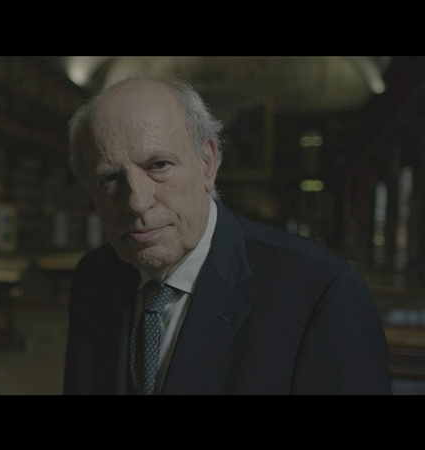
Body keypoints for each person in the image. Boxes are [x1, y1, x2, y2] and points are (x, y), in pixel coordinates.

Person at [62, 76, 392, 395]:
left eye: (159, 165)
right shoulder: (94, 275)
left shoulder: (322, 292)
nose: (136, 202)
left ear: (207, 162)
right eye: (109, 178)